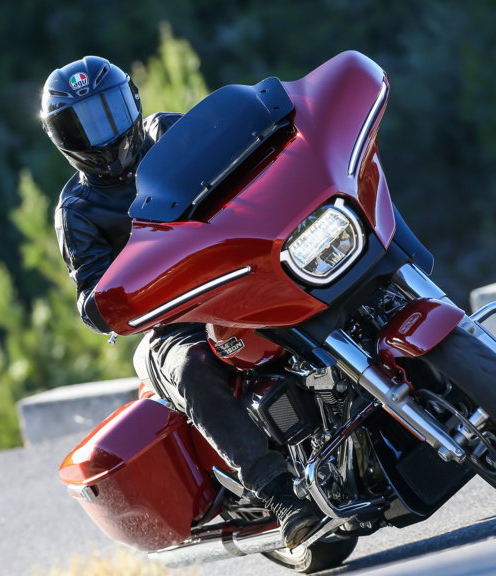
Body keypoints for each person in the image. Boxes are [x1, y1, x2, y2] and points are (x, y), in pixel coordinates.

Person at [40, 55, 321, 548]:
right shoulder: (79, 210)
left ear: (132, 100)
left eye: (110, 109)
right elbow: (89, 295)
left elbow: (252, 157)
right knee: (192, 366)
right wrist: (112, 301)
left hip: (241, 276)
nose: (105, 132)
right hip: (173, 321)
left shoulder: (170, 132)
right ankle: (279, 494)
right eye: (85, 122)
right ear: (64, 138)